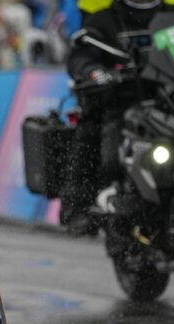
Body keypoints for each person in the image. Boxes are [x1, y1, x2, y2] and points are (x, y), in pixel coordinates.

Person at [61, 0, 165, 235]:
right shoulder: (104, 20)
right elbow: (81, 54)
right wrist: (96, 73)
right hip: (121, 104)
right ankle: (77, 204)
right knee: (90, 125)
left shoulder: (168, 16)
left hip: (166, 102)